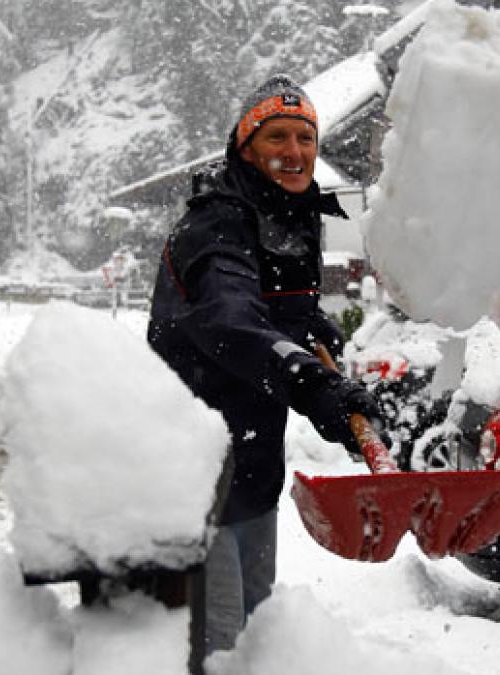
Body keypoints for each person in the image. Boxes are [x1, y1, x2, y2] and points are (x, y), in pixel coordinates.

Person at [147, 75, 385, 660]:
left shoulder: (289, 212)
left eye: (306, 136)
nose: (294, 150)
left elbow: (274, 306)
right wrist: (314, 385)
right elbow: (232, 322)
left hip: (253, 459)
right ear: (245, 147)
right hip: (195, 464)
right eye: (276, 135)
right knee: (216, 632)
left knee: (259, 620)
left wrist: (312, 329)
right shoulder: (216, 223)